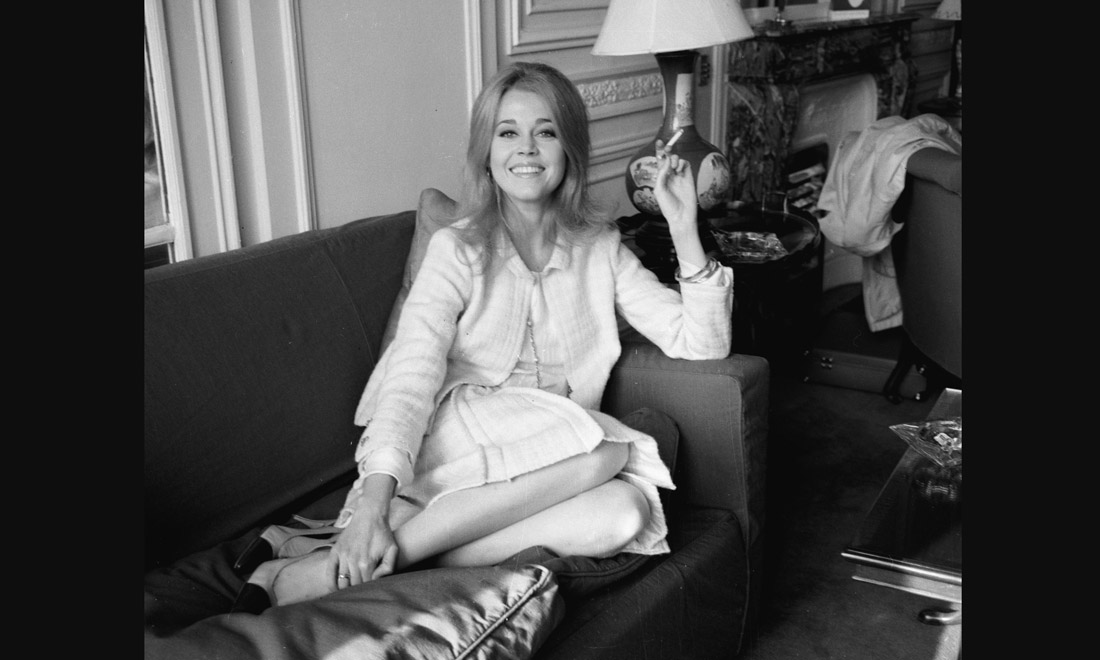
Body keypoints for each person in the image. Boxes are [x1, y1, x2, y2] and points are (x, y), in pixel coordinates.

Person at [232, 61, 733, 612]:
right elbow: (411, 375)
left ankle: (376, 559)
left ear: (569, 149)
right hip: (461, 435)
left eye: (546, 132)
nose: (527, 149)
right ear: (487, 155)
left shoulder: (600, 248)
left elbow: (702, 344)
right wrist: (372, 505)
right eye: (507, 133)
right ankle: (345, 559)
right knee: (607, 453)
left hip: (544, 455)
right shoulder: (457, 248)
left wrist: (684, 228)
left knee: (625, 514)